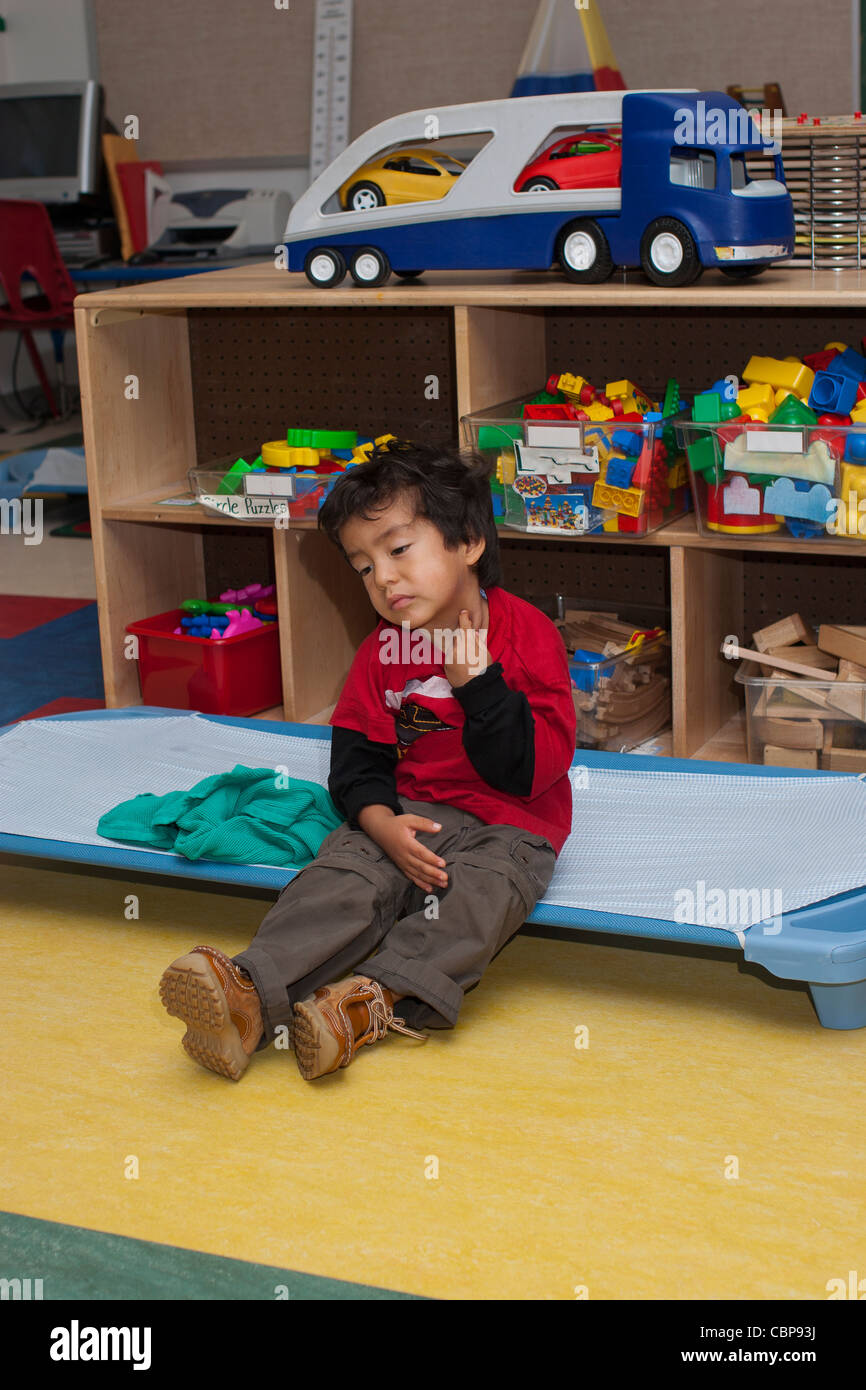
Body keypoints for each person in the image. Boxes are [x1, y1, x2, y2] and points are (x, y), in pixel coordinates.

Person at [159, 439, 576, 1082]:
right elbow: (356, 757)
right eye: (362, 566)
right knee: (344, 874)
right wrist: (378, 820)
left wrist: (479, 686)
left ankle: (366, 1005)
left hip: (510, 824)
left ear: (468, 542)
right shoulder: (383, 650)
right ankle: (249, 992)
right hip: (409, 814)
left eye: (398, 550)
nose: (381, 578)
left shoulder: (529, 636)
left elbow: (532, 771)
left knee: (478, 901)